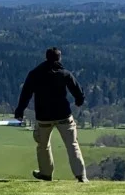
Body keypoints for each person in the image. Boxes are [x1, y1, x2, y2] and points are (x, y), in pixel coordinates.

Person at [15, 48, 86, 182]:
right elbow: (77, 89)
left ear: (46, 57)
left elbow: (26, 94)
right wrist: (79, 100)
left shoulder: (35, 74)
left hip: (44, 117)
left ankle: (46, 173)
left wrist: (20, 111)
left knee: (43, 145)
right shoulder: (64, 73)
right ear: (59, 58)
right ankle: (81, 175)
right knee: (72, 144)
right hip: (64, 115)